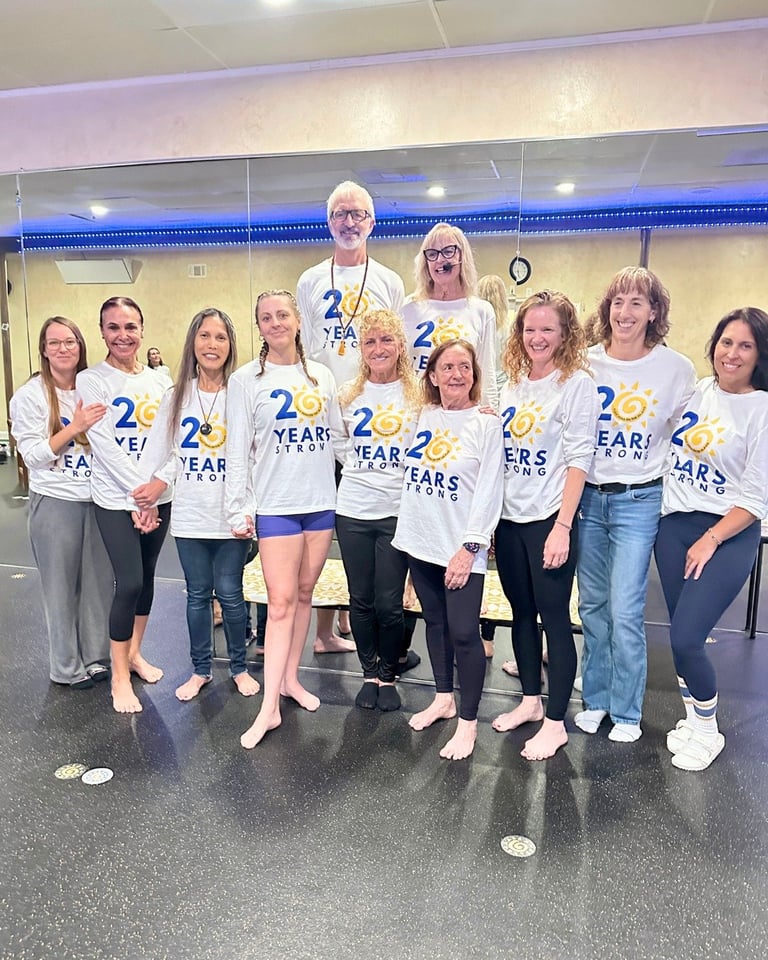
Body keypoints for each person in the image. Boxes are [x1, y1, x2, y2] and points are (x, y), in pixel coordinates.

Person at [575, 267, 696, 742]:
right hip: (588, 499)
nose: (624, 312)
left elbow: (692, 435)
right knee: (592, 607)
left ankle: (626, 711)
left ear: (654, 312)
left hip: (638, 500)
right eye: (617, 302)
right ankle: (596, 699)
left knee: (625, 610)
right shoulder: (585, 363)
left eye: (636, 303)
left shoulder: (675, 369)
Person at [226, 290, 346, 748]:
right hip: (276, 506)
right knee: (278, 604)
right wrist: (239, 508)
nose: (275, 323)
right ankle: (269, 707)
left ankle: (291, 679)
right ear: (259, 326)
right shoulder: (245, 380)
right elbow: (237, 451)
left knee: (303, 595)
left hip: (320, 504)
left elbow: (339, 439)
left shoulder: (321, 376)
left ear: (297, 320)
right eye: (266, 317)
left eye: (282, 315)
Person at [654, 307, 768, 771]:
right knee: (683, 634)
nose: (732, 353)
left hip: (727, 533)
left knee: (686, 637)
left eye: (745, 345)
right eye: (726, 342)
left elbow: (755, 498)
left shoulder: (762, 409)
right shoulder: (699, 391)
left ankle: (707, 729)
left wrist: (711, 539)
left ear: (760, 354)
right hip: (674, 527)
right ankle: (693, 717)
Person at [297, 180, 406, 654]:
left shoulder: (389, 281)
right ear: (329, 222)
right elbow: (305, 351)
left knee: (375, 531)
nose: (348, 221)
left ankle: (368, 625)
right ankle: (325, 632)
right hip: (326, 421)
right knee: (330, 531)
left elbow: (397, 345)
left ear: (372, 222)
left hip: (375, 420)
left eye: (357, 213)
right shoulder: (309, 280)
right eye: (340, 213)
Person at [490, 291, 600, 759]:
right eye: (529, 329)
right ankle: (531, 701)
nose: (536, 337)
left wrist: (562, 526)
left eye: (547, 329)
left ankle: (556, 722)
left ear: (565, 333)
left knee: (554, 618)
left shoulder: (577, 384)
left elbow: (579, 460)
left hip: (547, 519)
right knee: (520, 614)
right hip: (510, 519)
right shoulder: (513, 383)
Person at [139, 308, 260, 701]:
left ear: (230, 346)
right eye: (205, 336)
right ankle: (201, 670)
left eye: (220, 337)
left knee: (231, 594)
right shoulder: (176, 396)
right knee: (197, 595)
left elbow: (253, 458)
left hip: (231, 516)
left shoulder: (242, 395)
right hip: (191, 515)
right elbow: (167, 453)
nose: (212, 344)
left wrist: (248, 510)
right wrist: (153, 488)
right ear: (193, 342)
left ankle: (239, 667)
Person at [393, 339, 503, 760]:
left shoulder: (486, 424)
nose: (456, 374)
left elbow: (490, 491)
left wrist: (469, 547)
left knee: (464, 632)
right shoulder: (422, 415)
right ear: (433, 376)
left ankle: (468, 723)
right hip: (420, 541)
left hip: (460, 548)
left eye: (464, 367)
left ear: (474, 374)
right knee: (435, 623)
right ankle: (443, 699)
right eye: (447, 367)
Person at [76, 296, 174, 714]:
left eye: (130, 327)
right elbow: (104, 445)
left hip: (158, 495)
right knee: (129, 581)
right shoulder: (91, 380)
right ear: (102, 332)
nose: (122, 335)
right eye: (113, 327)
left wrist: (157, 487)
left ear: (142, 329)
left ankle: (134, 654)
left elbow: (173, 441)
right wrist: (139, 494)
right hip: (116, 499)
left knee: (147, 578)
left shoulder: (162, 382)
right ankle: (118, 675)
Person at [9, 316, 112, 689]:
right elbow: (34, 456)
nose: (63, 349)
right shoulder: (30, 395)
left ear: (80, 345)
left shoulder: (93, 386)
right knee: (61, 589)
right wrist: (74, 427)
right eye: (54, 343)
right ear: (44, 350)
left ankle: (97, 658)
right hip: (56, 502)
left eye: (69, 341)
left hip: (97, 500)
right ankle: (66, 667)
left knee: (98, 586)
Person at [336, 309, 420, 711]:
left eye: (386, 340)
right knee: (361, 599)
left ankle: (389, 674)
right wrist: (361, 469)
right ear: (361, 349)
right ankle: (368, 674)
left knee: (389, 602)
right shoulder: (348, 394)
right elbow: (338, 442)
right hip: (353, 509)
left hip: (396, 512)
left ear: (400, 345)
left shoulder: (418, 395)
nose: (378, 348)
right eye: (370, 341)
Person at [402, 223, 499, 409]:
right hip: (418, 412)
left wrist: (490, 414)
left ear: (462, 257)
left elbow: (486, 373)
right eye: (432, 254)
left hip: (462, 414)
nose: (440, 260)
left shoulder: (481, 311)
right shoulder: (408, 308)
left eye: (448, 251)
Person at [476, 273, 511, 658]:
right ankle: (487, 635)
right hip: (500, 420)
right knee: (491, 542)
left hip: (482, 417)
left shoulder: (483, 326)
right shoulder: (506, 328)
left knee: (476, 538)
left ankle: (482, 633)